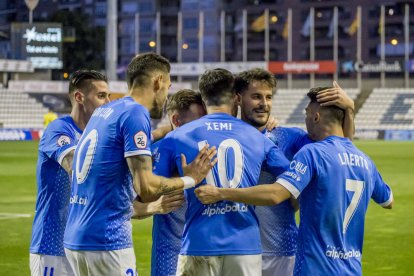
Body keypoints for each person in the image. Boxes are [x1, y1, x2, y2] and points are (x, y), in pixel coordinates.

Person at [195, 87, 394, 275]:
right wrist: (349, 109)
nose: (305, 118)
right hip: (352, 269)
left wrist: (221, 193)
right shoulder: (366, 162)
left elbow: (276, 195)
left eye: (307, 113)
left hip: (315, 267)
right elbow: (388, 201)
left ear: (316, 117)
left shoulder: (312, 153)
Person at [63, 53, 216, 276]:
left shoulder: (106, 111)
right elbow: (146, 187)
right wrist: (190, 179)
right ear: (158, 82)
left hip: (77, 238)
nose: (166, 97)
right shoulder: (136, 112)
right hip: (107, 240)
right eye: (167, 87)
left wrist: (162, 132)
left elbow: (115, 151)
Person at [158, 68, 290, 276]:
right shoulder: (258, 138)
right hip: (245, 245)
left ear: (203, 98)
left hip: (199, 242)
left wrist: (185, 179)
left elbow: (148, 188)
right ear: (236, 98)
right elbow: (291, 182)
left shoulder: (177, 137)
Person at [234, 68, 356, 276]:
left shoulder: (287, 137)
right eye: (256, 97)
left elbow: (339, 147)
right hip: (236, 249)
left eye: (268, 97)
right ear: (238, 99)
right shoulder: (228, 137)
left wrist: (350, 110)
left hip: (282, 251)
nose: (264, 104)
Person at [29, 70, 111, 276]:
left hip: (84, 245)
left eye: (109, 96)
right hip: (52, 246)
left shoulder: (96, 135)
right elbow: (76, 166)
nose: (108, 102)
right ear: (79, 97)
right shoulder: (59, 129)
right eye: (101, 96)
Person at [132, 89, 207, 276]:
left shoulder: (213, 149)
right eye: (197, 122)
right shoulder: (156, 152)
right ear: (176, 120)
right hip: (170, 253)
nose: (203, 129)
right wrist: (153, 206)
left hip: (209, 250)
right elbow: (130, 201)